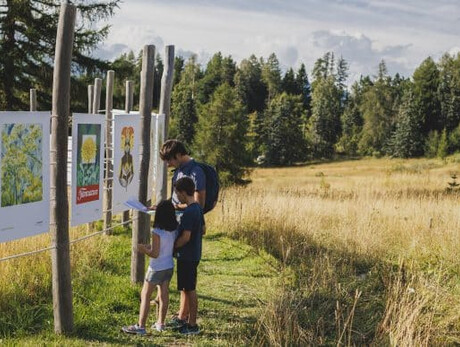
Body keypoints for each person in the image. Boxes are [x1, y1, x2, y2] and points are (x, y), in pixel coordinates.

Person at [122, 200, 178, 335]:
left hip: (156, 268)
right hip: (169, 266)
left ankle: (141, 326)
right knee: (164, 295)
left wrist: (143, 249)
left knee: (145, 295)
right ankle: (160, 323)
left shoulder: (157, 231)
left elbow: (155, 253)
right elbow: (164, 248)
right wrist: (151, 248)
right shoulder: (174, 229)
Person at [168, 176, 205, 335]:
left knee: (190, 289)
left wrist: (172, 247)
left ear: (183, 192)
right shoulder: (196, 207)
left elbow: (185, 237)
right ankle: (186, 319)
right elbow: (203, 230)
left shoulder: (190, 212)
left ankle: (192, 325)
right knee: (185, 287)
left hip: (187, 255)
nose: (178, 196)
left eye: (178, 193)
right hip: (194, 253)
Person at [159, 139, 206, 210]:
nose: (168, 165)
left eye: (169, 160)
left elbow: (199, 204)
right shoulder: (178, 171)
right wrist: (160, 207)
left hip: (188, 219)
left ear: (178, 155)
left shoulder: (196, 172)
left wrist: (175, 207)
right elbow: (175, 199)